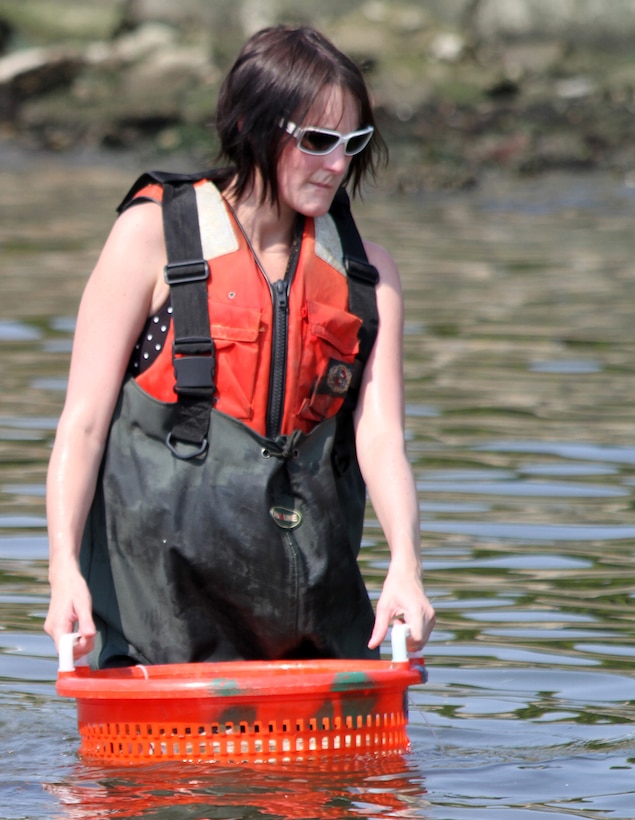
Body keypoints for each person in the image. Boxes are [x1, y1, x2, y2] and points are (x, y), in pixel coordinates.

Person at [44, 24, 436, 668]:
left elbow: (381, 439)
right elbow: (82, 426)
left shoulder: (371, 277)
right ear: (254, 125)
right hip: (159, 613)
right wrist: (63, 571)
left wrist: (406, 568)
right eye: (316, 141)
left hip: (312, 612)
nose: (337, 164)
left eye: (352, 142)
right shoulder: (150, 239)